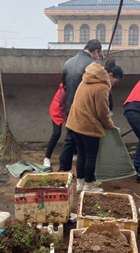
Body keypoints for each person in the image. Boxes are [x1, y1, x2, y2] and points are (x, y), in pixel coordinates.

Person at [66, 60, 124, 192]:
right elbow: (102, 112)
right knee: (91, 156)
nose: (113, 84)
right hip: (88, 126)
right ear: (110, 74)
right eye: (115, 81)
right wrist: (109, 124)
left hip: (75, 123)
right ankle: (89, 185)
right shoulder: (102, 87)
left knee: (81, 154)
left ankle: (80, 184)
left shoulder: (86, 78)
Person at [58, 39, 103, 171]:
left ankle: (63, 170)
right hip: (84, 109)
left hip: (69, 106)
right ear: (96, 51)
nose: (99, 56)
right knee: (86, 149)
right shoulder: (93, 65)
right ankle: (86, 178)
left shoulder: (68, 63)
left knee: (70, 138)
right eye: (99, 54)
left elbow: (64, 86)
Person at [43, 83, 66, 167]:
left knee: (72, 132)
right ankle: (47, 157)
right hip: (57, 111)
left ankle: (74, 153)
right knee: (56, 133)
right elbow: (61, 106)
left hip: (66, 110)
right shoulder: (64, 89)